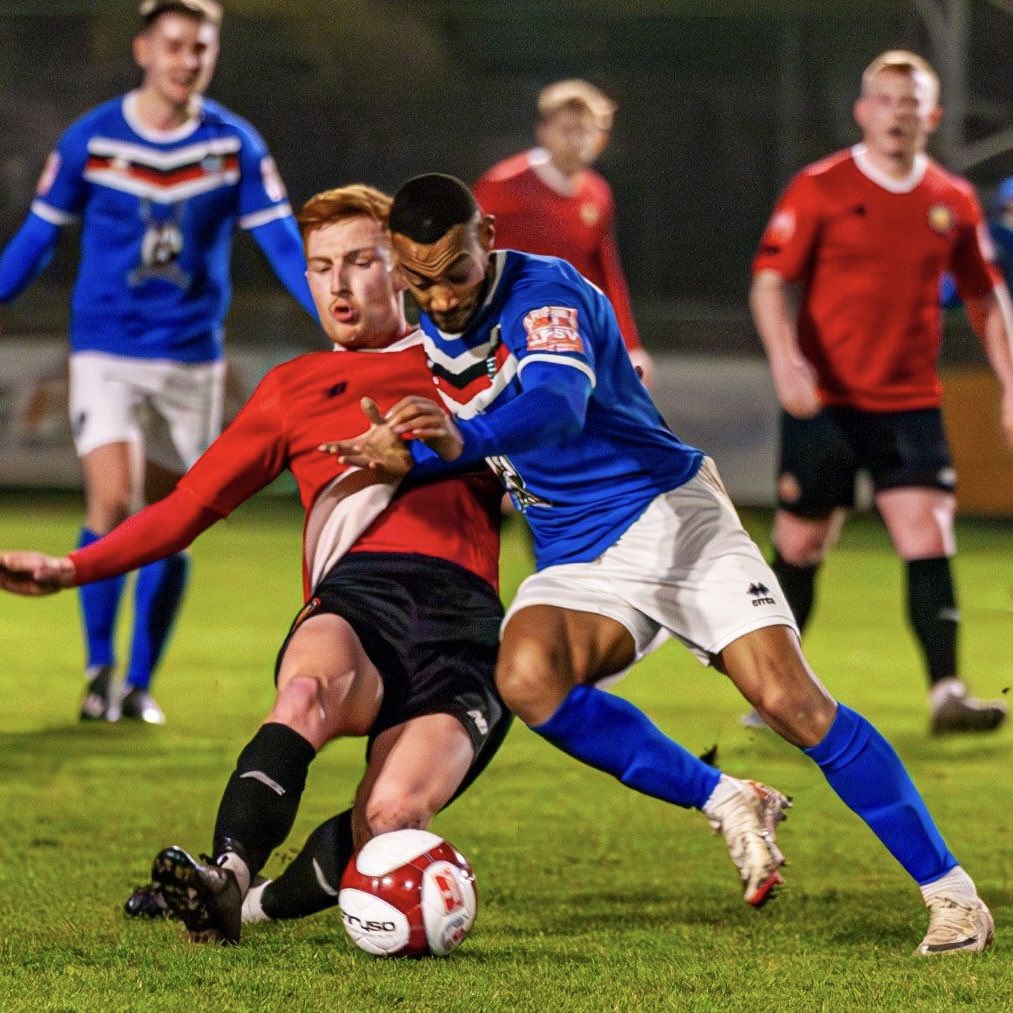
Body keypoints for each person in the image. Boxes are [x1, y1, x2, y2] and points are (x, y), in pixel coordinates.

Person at [327, 172, 996, 956]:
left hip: (671, 518)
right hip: (576, 550)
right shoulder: (433, 315)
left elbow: (555, 405)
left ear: (490, 239)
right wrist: (405, 457)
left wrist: (456, 441)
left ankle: (953, 896)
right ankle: (728, 798)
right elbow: (470, 434)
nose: (439, 298)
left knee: (789, 700)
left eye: (455, 274)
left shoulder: (545, 294)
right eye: (417, 281)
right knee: (526, 676)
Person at [0, 184, 510, 944]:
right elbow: (186, 509)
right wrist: (73, 566)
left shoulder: (479, 361)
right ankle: (230, 867)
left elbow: (560, 456)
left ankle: (241, 905)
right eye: (319, 266)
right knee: (305, 687)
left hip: (465, 629)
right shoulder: (291, 390)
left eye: (360, 261)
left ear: (403, 266)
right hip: (357, 603)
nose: (337, 284)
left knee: (393, 817)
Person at [0, 0, 317, 725]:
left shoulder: (234, 144)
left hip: (190, 358)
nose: (187, 60)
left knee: (177, 516)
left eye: (200, 48)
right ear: (144, 49)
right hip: (106, 350)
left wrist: (334, 312)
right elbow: (37, 237)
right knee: (110, 500)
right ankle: (97, 672)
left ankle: (140, 681)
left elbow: (281, 245)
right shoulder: (92, 139)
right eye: (174, 46)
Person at [749, 50, 1012, 735]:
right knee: (801, 544)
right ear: (862, 111)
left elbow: (986, 294)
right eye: (884, 100)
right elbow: (771, 281)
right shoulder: (820, 186)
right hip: (825, 404)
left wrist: (1010, 383)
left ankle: (945, 691)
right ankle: (772, 693)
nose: (897, 113)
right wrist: (784, 361)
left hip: (908, 403)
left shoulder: (950, 199)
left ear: (933, 115)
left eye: (911, 101)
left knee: (928, 532)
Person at [474, 79, 654, 387]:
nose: (577, 140)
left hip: (571, 336)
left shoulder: (597, 194)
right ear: (544, 132)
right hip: (506, 337)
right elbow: (469, 256)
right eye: (567, 129)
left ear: (601, 139)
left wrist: (630, 345)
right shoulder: (501, 187)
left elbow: (605, 272)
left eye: (586, 130)